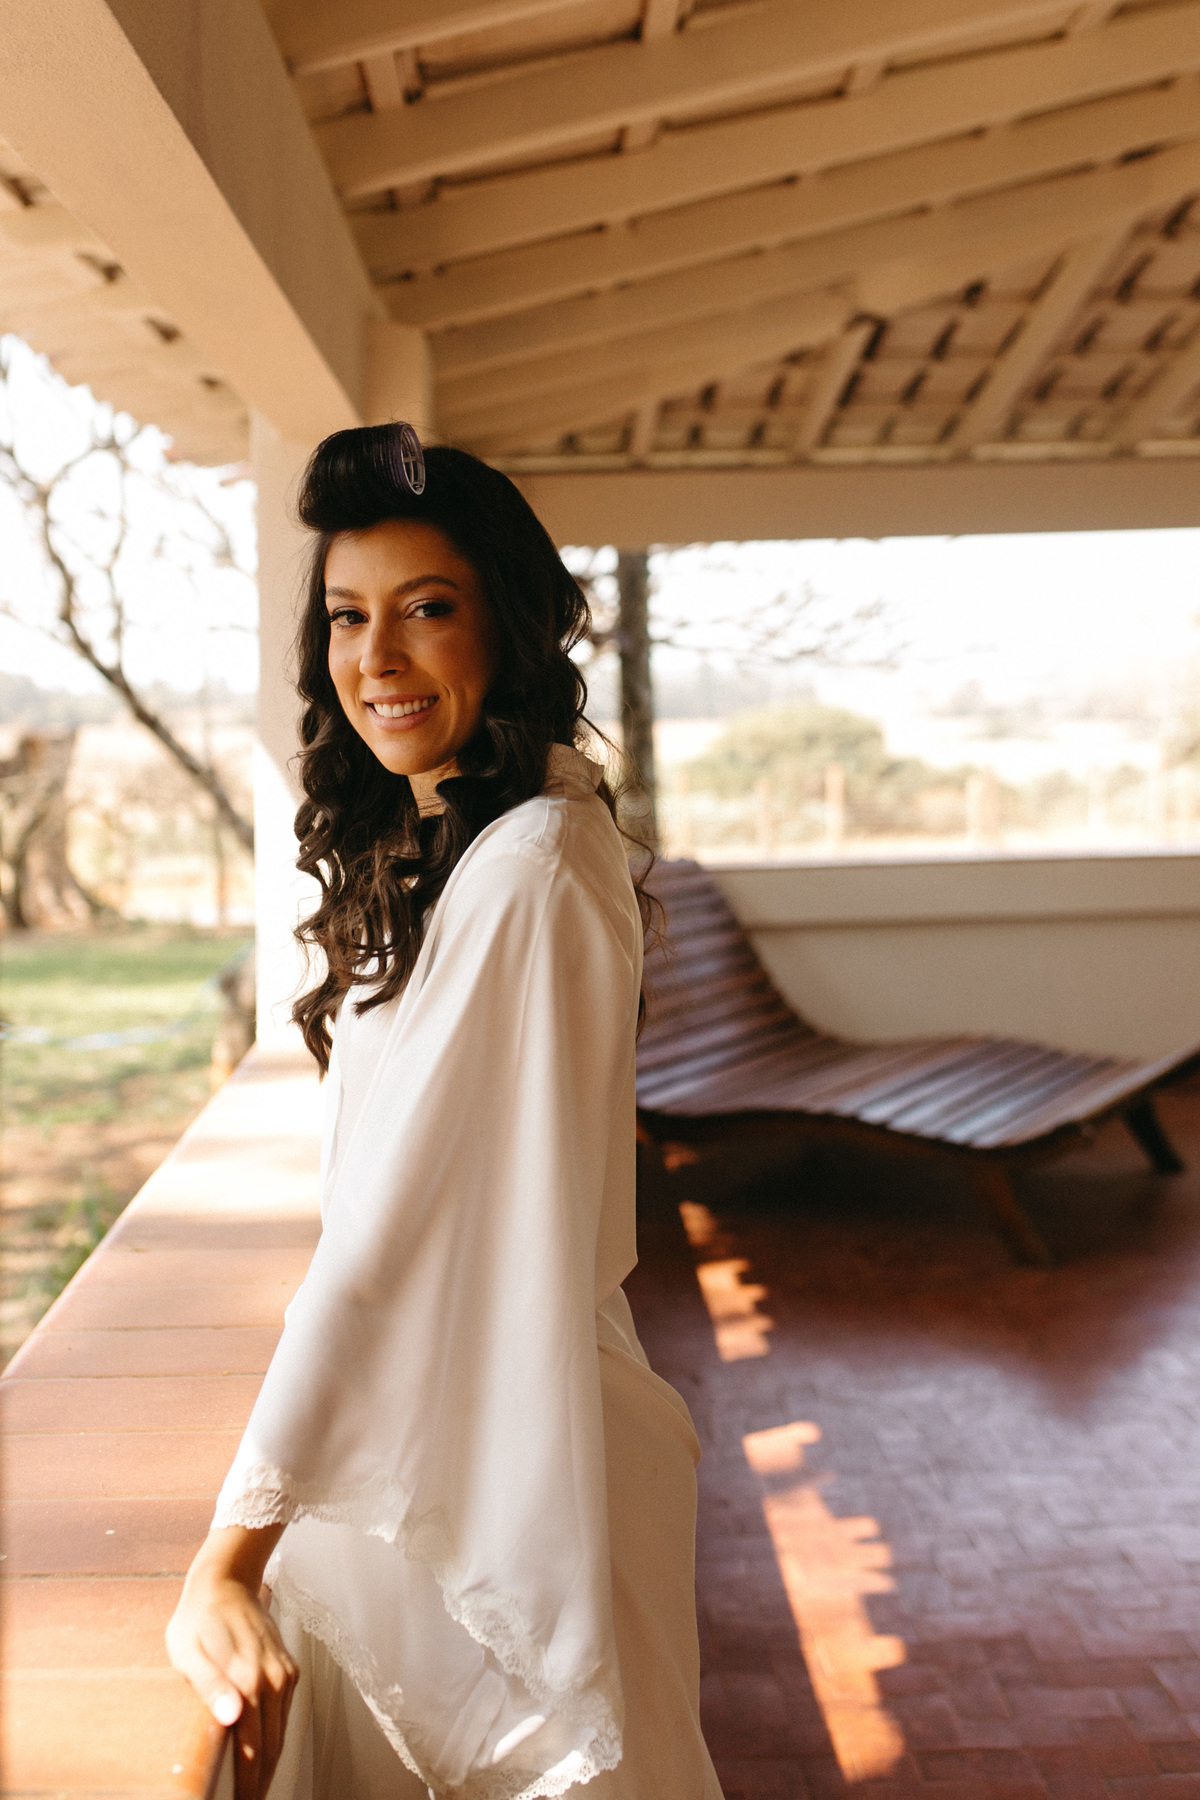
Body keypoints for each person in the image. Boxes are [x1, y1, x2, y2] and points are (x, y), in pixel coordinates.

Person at [166, 427, 722, 1800]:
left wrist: (227, 1557)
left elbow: (393, 1241)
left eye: (426, 608)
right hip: (476, 1421)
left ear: (507, 626)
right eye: (348, 617)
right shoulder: (490, 836)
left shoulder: (528, 869)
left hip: (504, 1457)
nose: (379, 657)